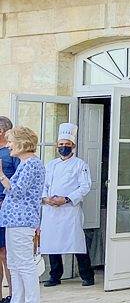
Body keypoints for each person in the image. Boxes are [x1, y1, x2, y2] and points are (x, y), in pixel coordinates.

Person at [0, 126, 47, 303]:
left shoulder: (32, 164)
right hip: (13, 219)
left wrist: (1, 175)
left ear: (21, 143)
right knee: (14, 264)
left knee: (25, 264)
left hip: (23, 219)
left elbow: (18, 191)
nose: (8, 145)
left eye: (11, 141)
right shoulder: (23, 164)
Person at [40, 123, 94, 287]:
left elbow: (85, 186)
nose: (64, 147)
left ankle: (87, 276)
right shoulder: (50, 165)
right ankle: (55, 276)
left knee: (76, 242)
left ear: (73, 146)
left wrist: (67, 199)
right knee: (52, 243)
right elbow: (43, 185)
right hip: (51, 210)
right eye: (61, 145)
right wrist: (46, 198)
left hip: (69, 210)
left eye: (67, 145)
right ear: (57, 146)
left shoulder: (80, 164)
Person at [0, 116, 16, 303]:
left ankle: (13, 296)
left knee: (6, 254)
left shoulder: (11, 154)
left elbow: (17, 185)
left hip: (5, 207)